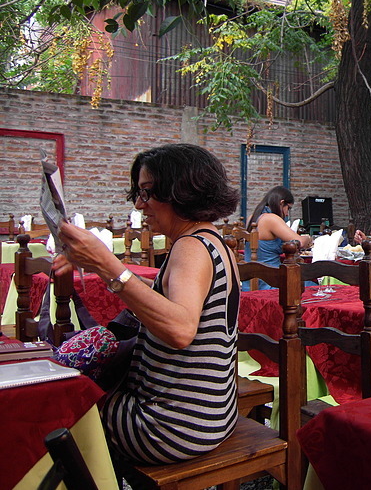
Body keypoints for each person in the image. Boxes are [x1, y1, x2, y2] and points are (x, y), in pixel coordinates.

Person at [53, 143, 241, 464]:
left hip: (168, 426)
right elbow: (165, 303)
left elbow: (180, 329)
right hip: (210, 416)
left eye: (148, 193)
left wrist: (105, 264)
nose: (141, 205)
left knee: (58, 411)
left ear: (182, 191)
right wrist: (102, 265)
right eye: (139, 194)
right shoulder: (210, 241)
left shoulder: (191, 247)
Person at [251, 186, 312, 289]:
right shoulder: (270, 219)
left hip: (252, 282)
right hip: (272, 282)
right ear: (281, 203)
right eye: (288, 208)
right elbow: (299, 242)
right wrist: (309, 238)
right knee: (316, 285)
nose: (287, 213)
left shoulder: (253, 217)